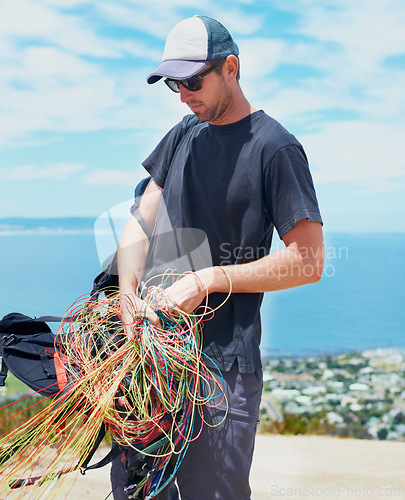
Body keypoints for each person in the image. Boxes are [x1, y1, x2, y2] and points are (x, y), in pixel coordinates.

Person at [111, 14, 324, 500]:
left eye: (192, 80)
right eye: (173, 84)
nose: (184, 94)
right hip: (153, 359)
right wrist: (126, 299)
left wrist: (208, 279)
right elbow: (141, 220)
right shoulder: (183, 135)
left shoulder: (275, 147)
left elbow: (308, 260)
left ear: (231, 68)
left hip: (223, 371)